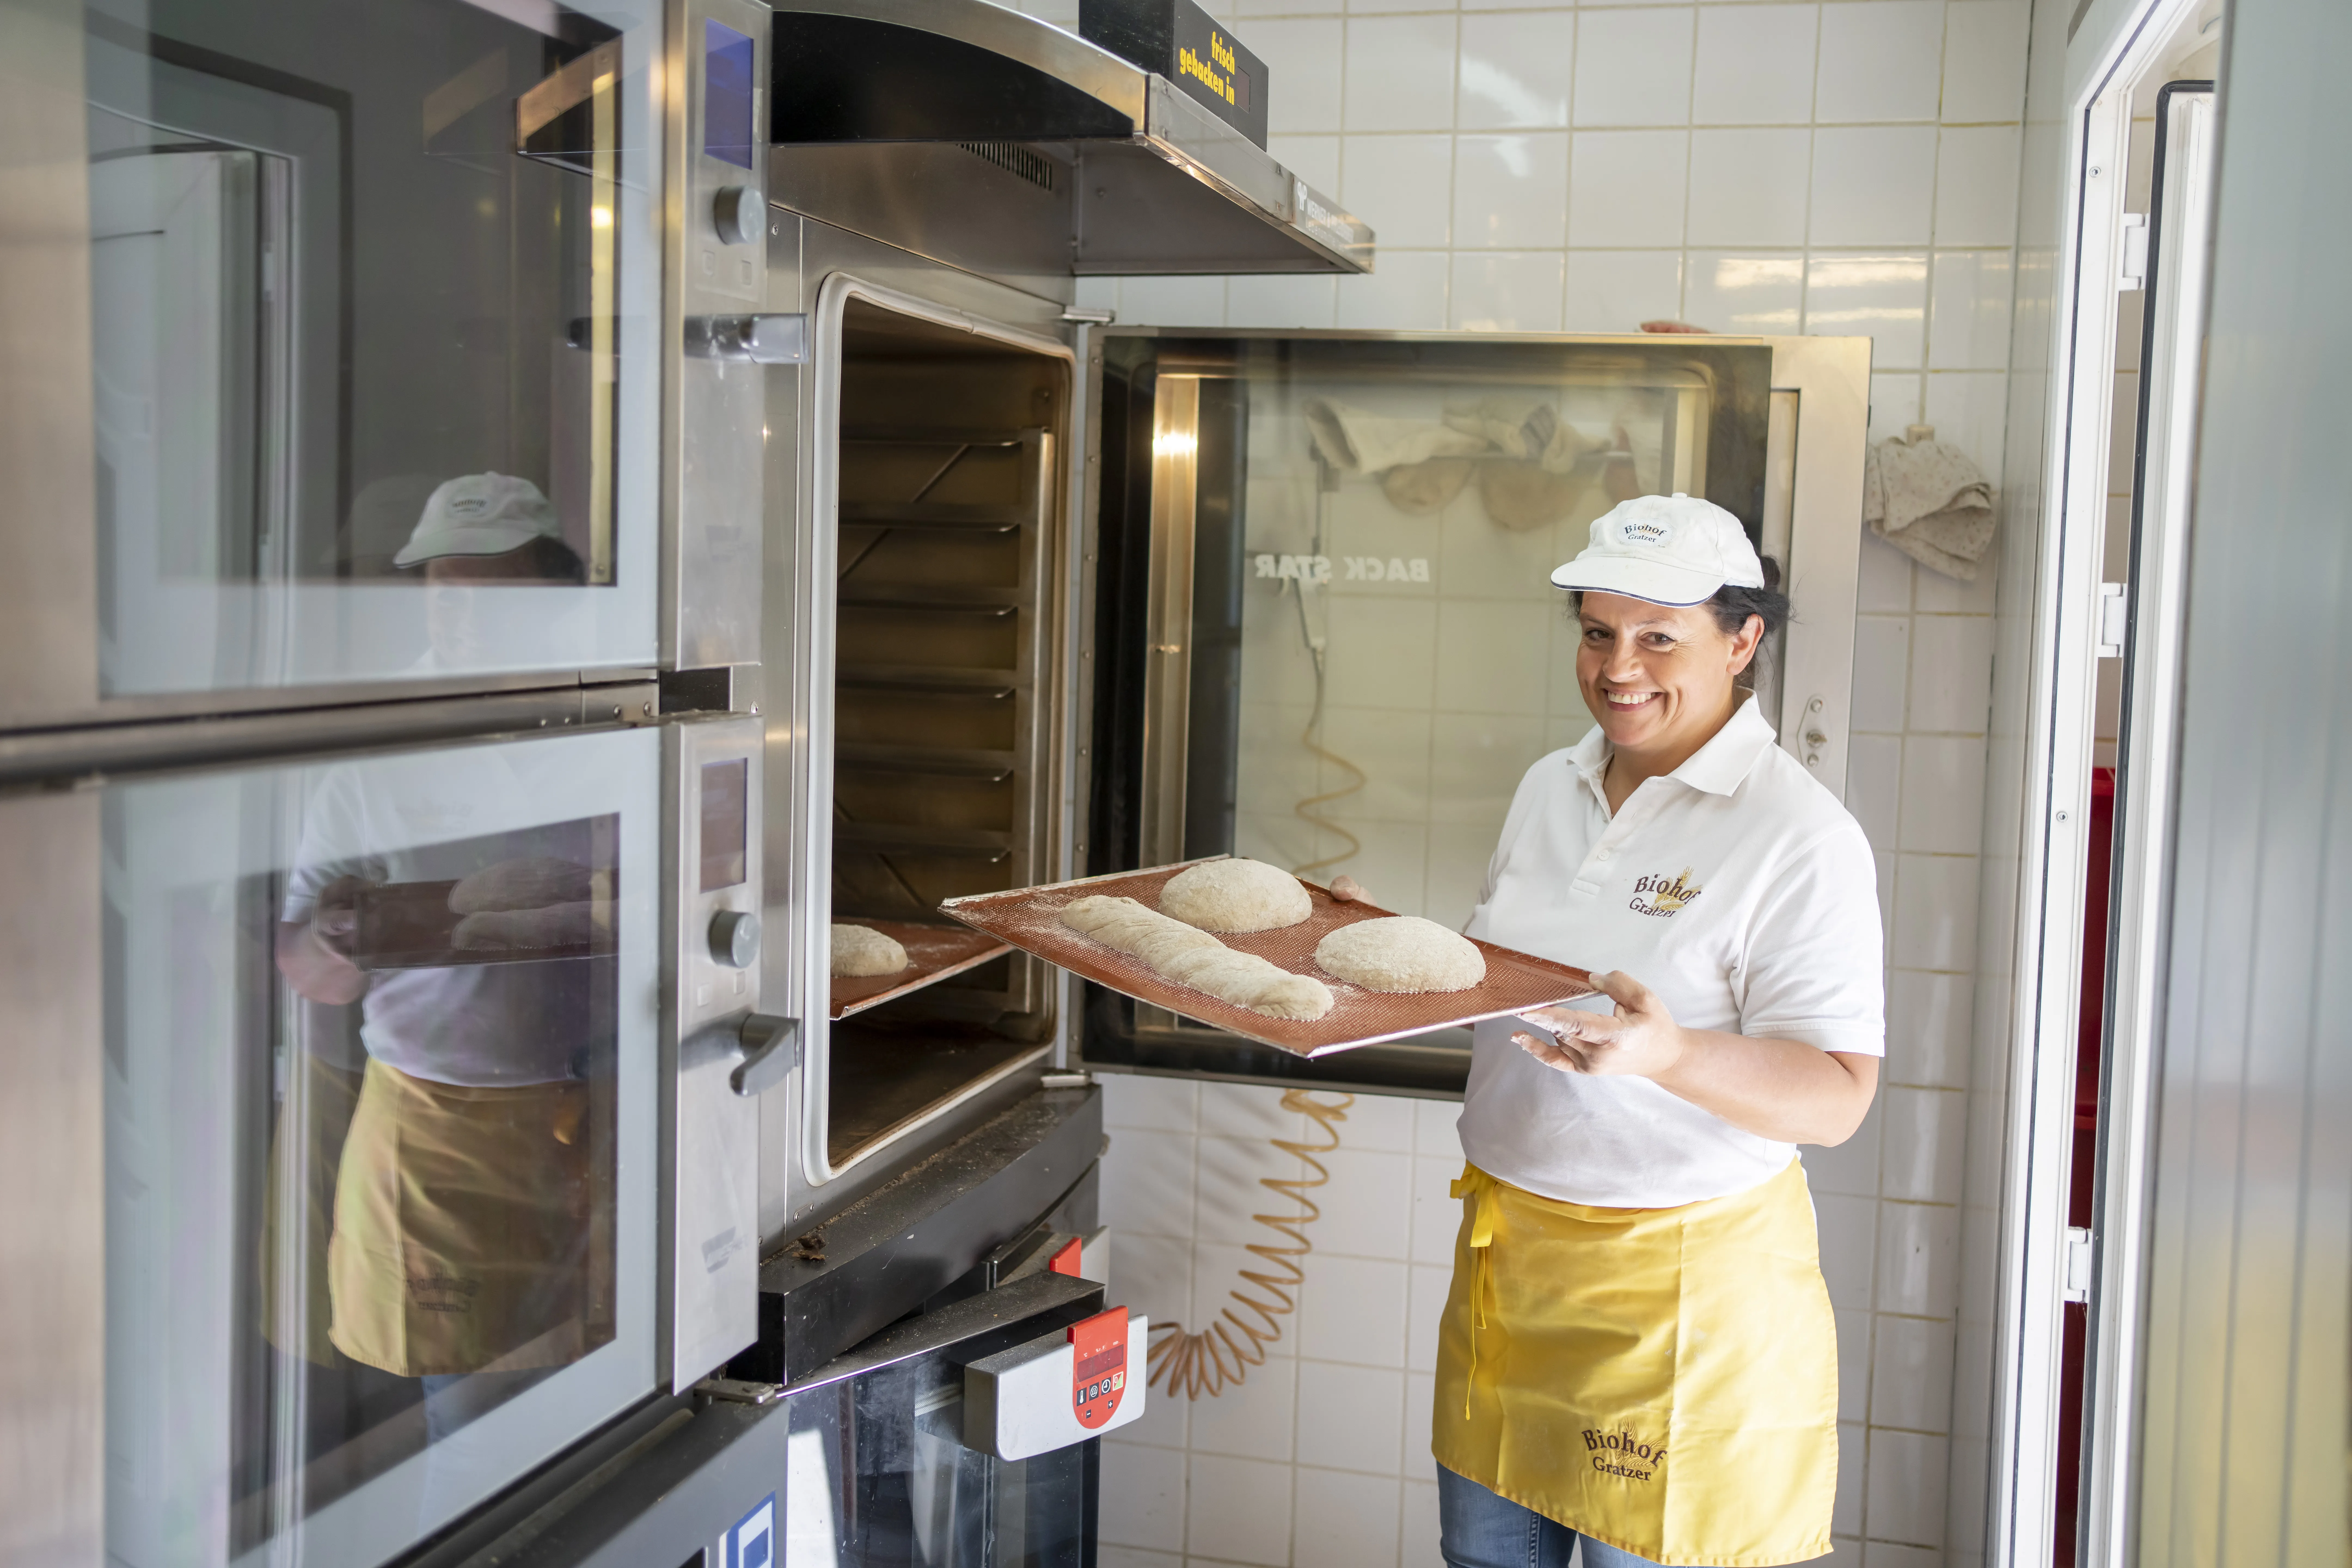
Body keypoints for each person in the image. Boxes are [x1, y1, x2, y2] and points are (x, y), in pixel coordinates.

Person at [1405, 492, 1882, 1568]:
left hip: (1681, 1304)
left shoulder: (1799, 836)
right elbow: (1504, 978)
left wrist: (1669, 1055)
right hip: (1511, 1279)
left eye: (1659, 637)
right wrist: (1366, 950)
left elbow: (1838, 1097)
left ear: (1742, 640)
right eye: (1598, 633)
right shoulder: (1550, 786)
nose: (1618, 668)